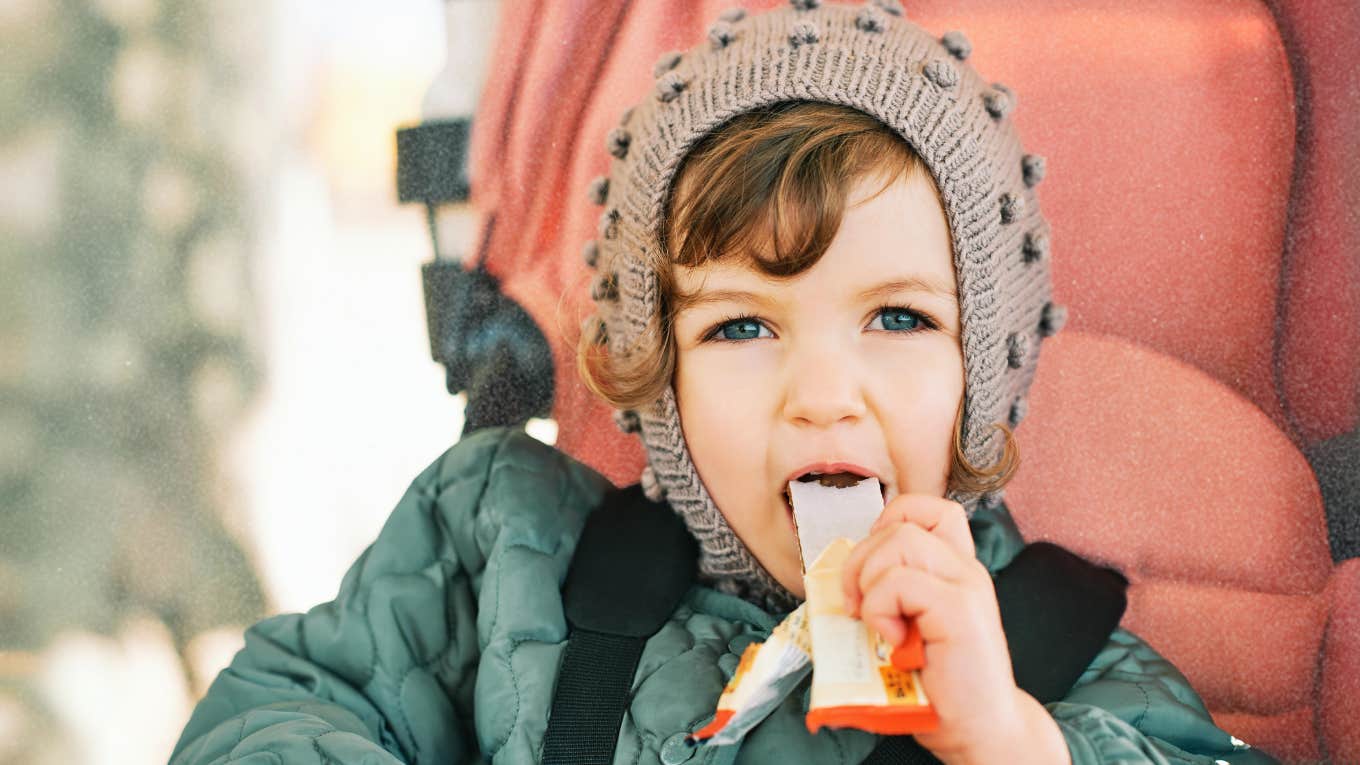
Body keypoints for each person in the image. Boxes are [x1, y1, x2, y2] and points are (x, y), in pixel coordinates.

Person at [170, 3, 1277, 763]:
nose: (821, 392)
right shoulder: (506, 544)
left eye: (897, 318)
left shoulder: (1060, 650)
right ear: (662, 371)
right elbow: (281, 707)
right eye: (745, 325)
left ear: (977, 375)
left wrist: (1014, 741)